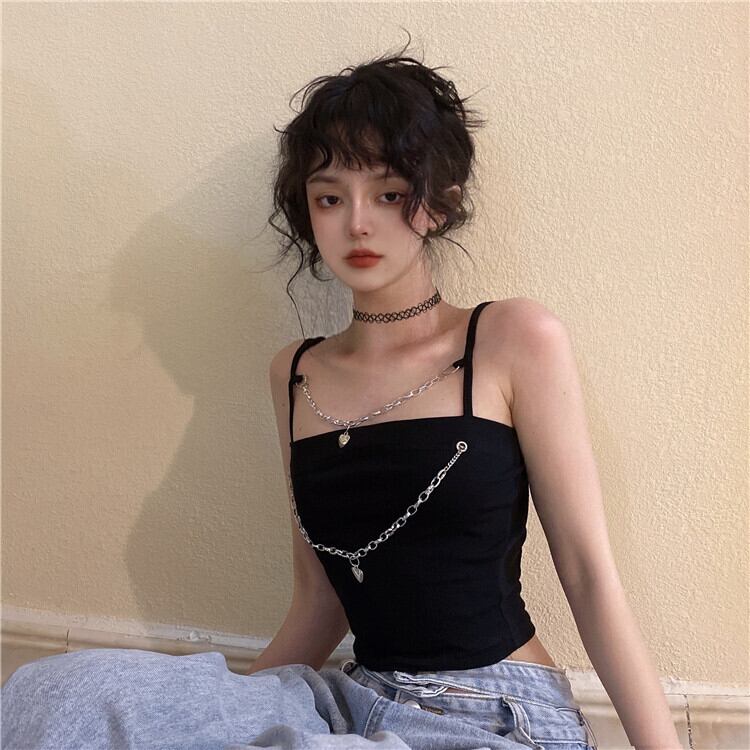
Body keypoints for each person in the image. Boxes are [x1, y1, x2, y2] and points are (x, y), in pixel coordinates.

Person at [2, 40, 681, 750]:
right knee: (55, 691)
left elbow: (588, 575)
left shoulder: (510, 338)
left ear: (440, 203)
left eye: (388, 194)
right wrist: (222, 715)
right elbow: (319, 602)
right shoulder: (295, 373)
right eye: (330, 198)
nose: (357, 222)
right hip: (349, 703)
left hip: (493, 711)